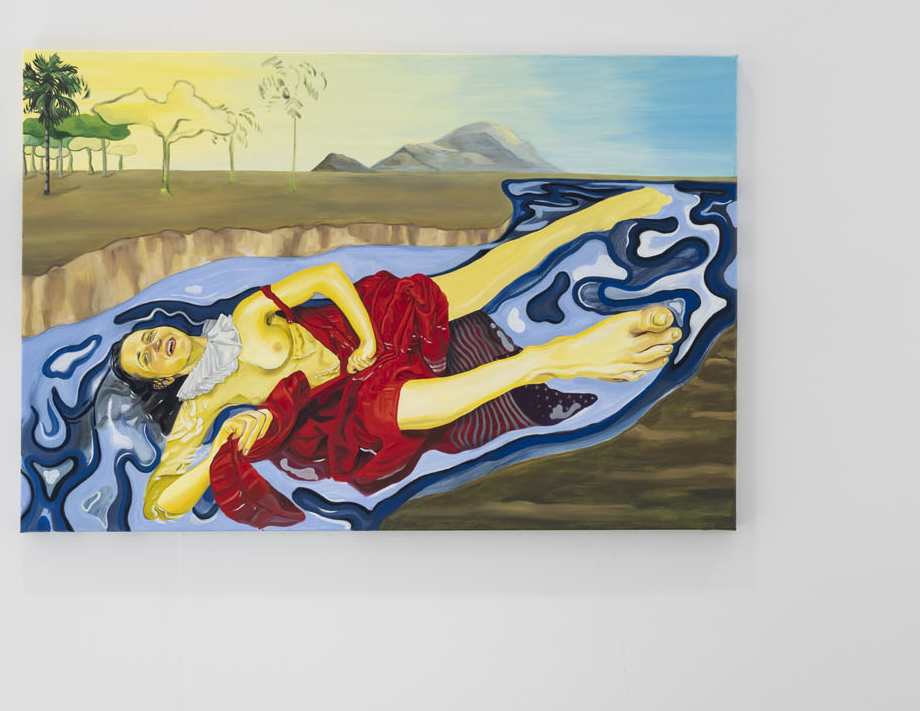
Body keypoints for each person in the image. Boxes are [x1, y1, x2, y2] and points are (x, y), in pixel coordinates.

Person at [108, 187, 682, 526]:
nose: (154, 345)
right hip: (343, 406)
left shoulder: (245, 316)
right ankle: (558, 357)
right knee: (384, 410)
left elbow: (328, 278)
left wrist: (364, 339)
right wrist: (220, 451)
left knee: (485, 276)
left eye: (147, 337)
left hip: (366, 333)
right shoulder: (199, 409)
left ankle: (592, 218)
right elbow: (159, 504)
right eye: (147, 358)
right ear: (165, 379)